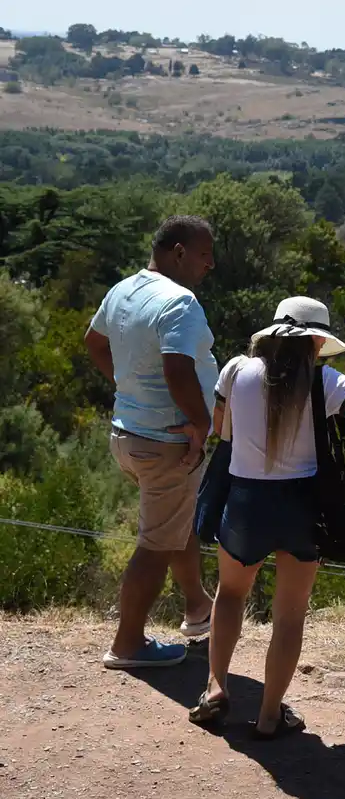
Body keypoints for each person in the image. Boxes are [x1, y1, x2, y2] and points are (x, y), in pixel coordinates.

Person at [187, 296, 345, 739]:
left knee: (230, 595)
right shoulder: (326, 382)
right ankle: (268, 716)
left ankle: (217, 689)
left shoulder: (236, 370)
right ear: (316, 341)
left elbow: (220, 427)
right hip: (301, 507)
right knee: (289, 615)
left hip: (244, 501)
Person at [85, 215, 218, 669]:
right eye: (204, 254)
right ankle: (128, 644)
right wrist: (200, 423)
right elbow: (178, 370)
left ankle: (199, 609)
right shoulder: (180, 302)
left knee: (172, 522)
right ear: (178, 252)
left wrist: (128, 387)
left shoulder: (123, 289)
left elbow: (94, 341)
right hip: (167, 442)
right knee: (155, 544)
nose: (210, 264)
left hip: (128, 434)